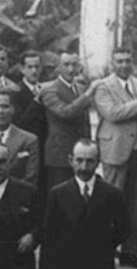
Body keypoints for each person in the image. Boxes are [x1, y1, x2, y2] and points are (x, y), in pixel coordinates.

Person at [40, 140, 130, 269]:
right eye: (79, 160)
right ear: (70, 160)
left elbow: (124, 229)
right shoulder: (57, 194)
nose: (84, 166)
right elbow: (48, 238)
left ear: (98, 162)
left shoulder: (112, 194)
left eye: (90, 161)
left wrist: (103, 246)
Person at [93, 46, 137, 268]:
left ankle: (130, 251)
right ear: (112, 64)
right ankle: (104, 249)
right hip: (115, 149)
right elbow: (113, 113)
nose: (124, 65)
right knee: (110, 200)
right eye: (119, 61)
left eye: (128, 60)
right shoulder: (103, 87)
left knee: (135, 201)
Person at [40, 52, 100, 189]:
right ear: (58, 68)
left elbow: (85, 120)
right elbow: (65, 112)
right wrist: (88, 94)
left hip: (81, 155)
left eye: (74, 64)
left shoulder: (80, 88)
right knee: (59, 196)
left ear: (79, 67)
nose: (71, 69)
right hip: (60, 155)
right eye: (66, 64)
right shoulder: (49, 89)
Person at [12, 50, 48, 194]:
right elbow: (19, 123)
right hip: (25, 148)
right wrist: (36, 101)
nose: (34, 71)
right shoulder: (16, 91)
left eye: (37, 67)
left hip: (45, 147)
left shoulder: (46, 89)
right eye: (30, 67)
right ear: (22, 69)